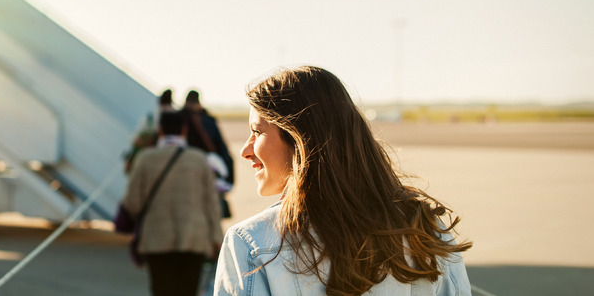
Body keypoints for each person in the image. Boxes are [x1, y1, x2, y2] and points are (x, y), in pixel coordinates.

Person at [214, 66, 473, 295]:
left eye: (257, 132)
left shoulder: (252, 244)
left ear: (300, 138)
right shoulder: (426, 232)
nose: (245, 150)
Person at [122, 110, 223, 296]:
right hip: (194, 238)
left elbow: (132, 202)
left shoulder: (145, 159)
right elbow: (212, 203)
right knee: (188, 291)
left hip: (157, 239)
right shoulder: (199, 159)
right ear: (184, 131)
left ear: (160, 131)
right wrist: (217, 238)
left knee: (162, 290)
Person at [182, 90, 235, 218]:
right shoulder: (208, 120)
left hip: (185, 174)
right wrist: (228, 182)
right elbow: (223, 151)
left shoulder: (180, 119)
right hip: (210, 174)